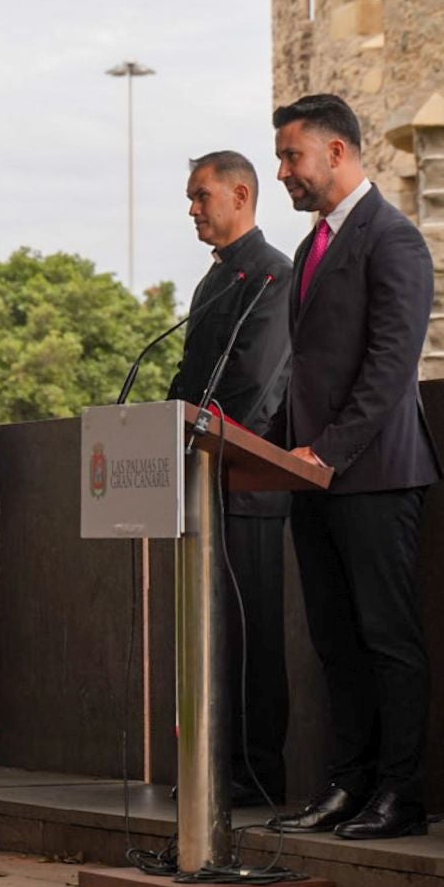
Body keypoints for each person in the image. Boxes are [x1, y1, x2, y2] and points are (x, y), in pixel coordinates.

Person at [265, 92, 442, 841]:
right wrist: (272, 447)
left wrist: (326, 451)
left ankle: (402, 794)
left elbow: (390, 369)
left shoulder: (393, 239)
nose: (282, 172)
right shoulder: (311, 248)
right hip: (312, 480)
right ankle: (350, 784)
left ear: (337, 152)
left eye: (291, 156)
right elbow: (306, 371)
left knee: (387, 636)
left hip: (374, 475)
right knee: (334, 640)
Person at [166, 150, 293, 806]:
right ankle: (213, 762)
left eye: (201, 195)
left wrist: (207, 440)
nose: (191, 209)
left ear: (240, 194)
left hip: (247, 482)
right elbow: (193, 376)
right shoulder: (211, 282)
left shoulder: (275, 276)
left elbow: (256, 387)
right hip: (200, 479)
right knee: (208, 630)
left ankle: (257, 771)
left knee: (252, 633)